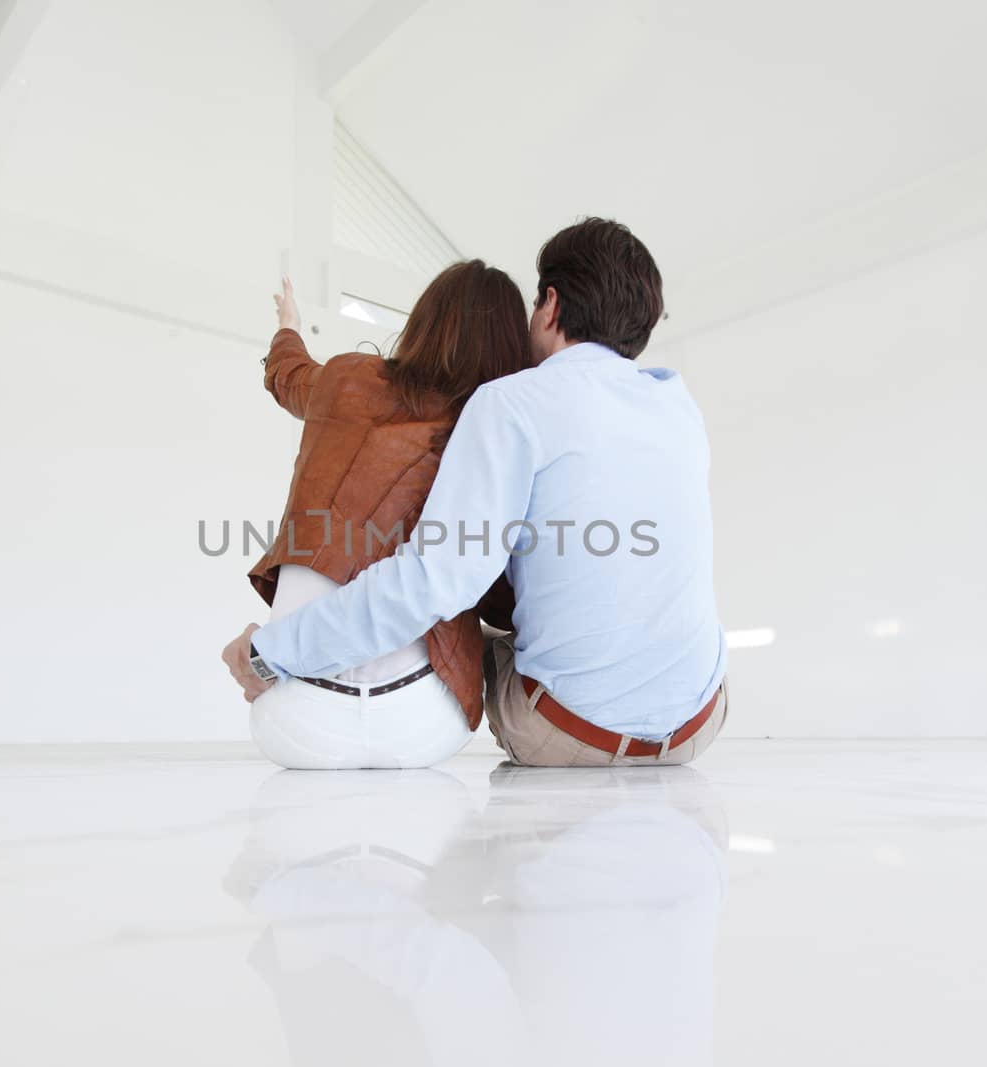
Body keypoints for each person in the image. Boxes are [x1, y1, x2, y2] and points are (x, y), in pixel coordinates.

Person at [224, 218, 728, 767]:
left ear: (551, 306)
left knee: (453, 602)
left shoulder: (509, 403)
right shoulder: (679, 407)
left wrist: (271, 653)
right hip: (698, 728)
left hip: (570, 735)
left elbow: (436, 579)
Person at [238, 263, 530, 769]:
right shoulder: (490, 434)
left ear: (423, 321)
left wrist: (288, 326)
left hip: (290, 724)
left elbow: (288, 375)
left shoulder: (345, 380)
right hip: (425, 730)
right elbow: (500, 604)